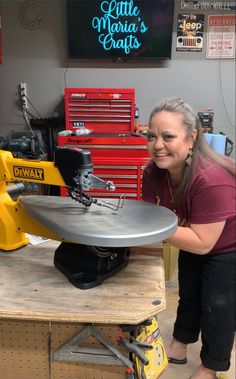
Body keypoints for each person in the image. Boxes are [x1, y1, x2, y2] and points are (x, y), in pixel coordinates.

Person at [142, 97, 236, 379]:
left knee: (218, 306)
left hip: (227, 248)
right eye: (151, 136)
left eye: (168, 136)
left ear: (191, 137)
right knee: (189, 293)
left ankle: (211, 366)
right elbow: (149, 215)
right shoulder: (153, 172)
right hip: (191, 235)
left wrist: (155, 228)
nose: (157, 145)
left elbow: (204, 242)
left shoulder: (211, 178)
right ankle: (181, 343)